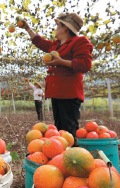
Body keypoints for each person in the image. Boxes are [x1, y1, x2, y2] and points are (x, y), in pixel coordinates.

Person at [20, 12, 93, 142]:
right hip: (56, 92)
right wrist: (27, 28)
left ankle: (73, 157)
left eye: (58, 24)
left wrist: (61, 62)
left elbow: (86, 64)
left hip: (69, 93)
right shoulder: (55, 45)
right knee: (59, 130)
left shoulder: (79, 41)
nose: (56, 27)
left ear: (65, 27)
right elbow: (39, 42)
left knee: (68, 131)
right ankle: (61, 157)